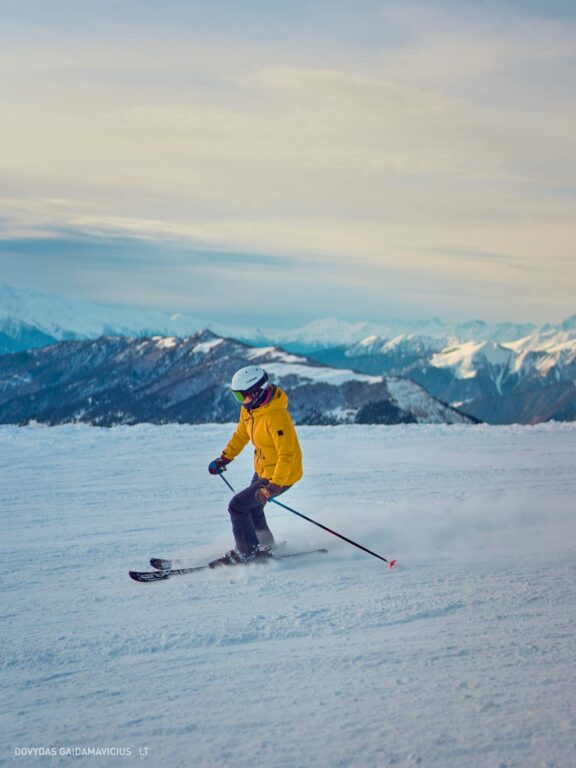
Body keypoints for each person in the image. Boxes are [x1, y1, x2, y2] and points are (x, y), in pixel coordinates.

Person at [208, 365, 303, 565]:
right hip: (264, 469)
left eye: (243, 397)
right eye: (238, 397)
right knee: (253, 508)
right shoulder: (251, 410)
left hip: (282, 474)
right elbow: (241, 435)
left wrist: (273, 487)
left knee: (237, 506)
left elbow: (287, 455)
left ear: (257, 393)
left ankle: (246, 553)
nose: (241, 402)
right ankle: (265, 544)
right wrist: (224, 459)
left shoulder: (276, 417)